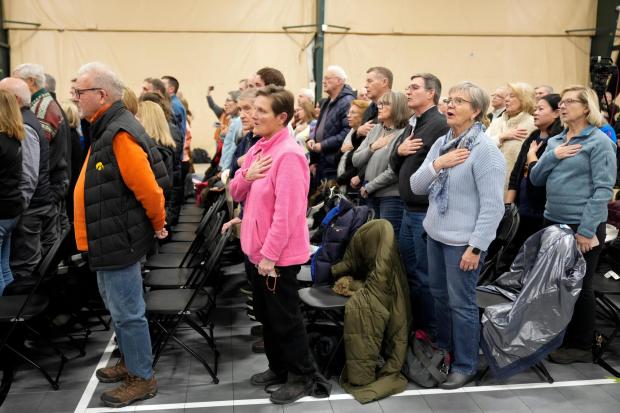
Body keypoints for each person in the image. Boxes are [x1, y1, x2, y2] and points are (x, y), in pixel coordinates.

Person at [73, 62, 168, 407]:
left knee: (128, 311)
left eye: (79, 91)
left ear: (100, 95)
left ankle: (142, 377)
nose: (75, 97)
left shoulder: (119, 132)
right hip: (108, 235)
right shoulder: (105, 126)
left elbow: (149, 188)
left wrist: (159, 223)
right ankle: (131, 361)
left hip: (118, 237)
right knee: (118, 308)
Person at [229, 85, 322, 404]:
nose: (253, 115)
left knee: (285, 318)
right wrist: (248, 176)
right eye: (253, 109)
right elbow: (235, 191)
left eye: (261, 111)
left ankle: (302, 375)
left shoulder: (290, 155)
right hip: (255, 251)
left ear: (282, 117)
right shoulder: (260, 148)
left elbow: (288, 213)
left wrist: (269, 256)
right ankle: (278, 367)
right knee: (266, 317)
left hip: (276, 256)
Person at [411, 81, 506, 389]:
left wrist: (476, 247)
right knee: (439, 297)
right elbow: (416, 185)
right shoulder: (443, 144)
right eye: (449, 100)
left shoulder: (485, 151)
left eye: (460, 101)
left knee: (461, 304)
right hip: (436, 236)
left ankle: (466, 364)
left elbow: (493, 208)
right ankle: (446, 350)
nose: (450, 105)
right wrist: (438, 164)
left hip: (463, 244)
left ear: (476, 111)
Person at [530, 86, 617, 364]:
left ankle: (581, 345)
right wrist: (552, 157)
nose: (563, 106)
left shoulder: (599, 142)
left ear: (586, 107)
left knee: (579, 286)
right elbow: (536, 179)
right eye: (562, 102)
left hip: (582, 224)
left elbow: (603, 190)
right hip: (553, 220)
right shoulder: (556, 141)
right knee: (557, 284)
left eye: (570, 102)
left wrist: (587, 230)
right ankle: (561, 336)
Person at [390, 73, 449, 334]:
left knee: (426, 277)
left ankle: (432, 333)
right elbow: (394, 165)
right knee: (410, 273)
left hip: (424, 212)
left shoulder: (438, 124)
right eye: (408, 87)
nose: (408, 91)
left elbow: (442, 170)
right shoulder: (413, 125)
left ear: (431, 93)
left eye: (414, 87)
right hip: (408, 211)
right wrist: (399, 151)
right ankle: (417, 327)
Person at [12, 63, 68, 277]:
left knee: (33, 260)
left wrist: (24, 200)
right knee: (46, 253)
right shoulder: (43, 104)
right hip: (49, 188)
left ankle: (33, 307)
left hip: (41, 192)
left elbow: (34, 157)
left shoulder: (41, 108)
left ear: (31, 82)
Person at [503, 94, 563, 265]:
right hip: (521, 206)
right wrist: (509, 207)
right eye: (535, 109)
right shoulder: (533, 136)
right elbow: (516, 173)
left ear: (556, 113)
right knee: (512, 253)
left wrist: (532, 157)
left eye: (541, 109)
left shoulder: (557, 141)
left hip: (540, 208)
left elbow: (543, 175)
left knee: (534, 257)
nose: (535, 113)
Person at [352, 91, 409, 233]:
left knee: (386, 242)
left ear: (398, 107)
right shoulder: (376, 129)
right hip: (370, 194)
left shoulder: (403, 134)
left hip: (390, 197)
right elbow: (356, 160)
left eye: (385, 104)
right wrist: (372, 147)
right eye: (380, 103)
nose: (379, 107)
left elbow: (393, 171)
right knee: (371, 241)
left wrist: (369, 186)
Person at [307, 65, 355, 180]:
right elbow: (321, 128)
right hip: (322, 161)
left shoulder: (347, 102)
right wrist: (312, 140)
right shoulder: (327, 101)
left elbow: (347, 133)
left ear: (339, 81)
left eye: (328, 78)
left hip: (334, 163)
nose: (323, 81)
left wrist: (323, 145)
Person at [486, 82, 536, 190]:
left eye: (512, 96)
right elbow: (481, 147)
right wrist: (501, 136)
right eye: (506, 96)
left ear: (524, 99)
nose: (507, 99)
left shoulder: (533, 124)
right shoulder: (496, 122)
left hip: (516, 187)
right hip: (490, 183)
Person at [0, 90, 26, 295]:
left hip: (2, 210)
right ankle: (10, 314)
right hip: (12, 209)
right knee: (4, 266)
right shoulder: (14, 139)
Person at [137, 100, 178, 219]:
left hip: (153, 213)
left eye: (138, 116)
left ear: (147, 120)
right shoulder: (164, 146)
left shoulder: (155, 150)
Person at [336, 99, 369, 193]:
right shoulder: (350, 133)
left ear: (362, 116)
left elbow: (356, 165)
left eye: (353, 113)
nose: (348, 115)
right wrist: (341, 151)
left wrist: (339, 181)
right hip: (343, 184)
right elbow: (336, 160)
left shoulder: (364, 137)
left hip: (353, 186)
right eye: (349, 112)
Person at [357, 67, 393, 138]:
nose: (365, 86)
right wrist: (358, 132)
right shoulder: (370, 107)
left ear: (384, 82)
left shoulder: (394, 107)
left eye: (370, 81)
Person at [219, 91, 242, 171]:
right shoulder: (232, 120)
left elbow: (233, 148)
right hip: (224, 164)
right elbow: (227, 144)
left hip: (227, 167)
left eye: (228, 100)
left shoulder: (238, 121)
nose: (225, 104)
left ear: (237, 103)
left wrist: (224, 169)